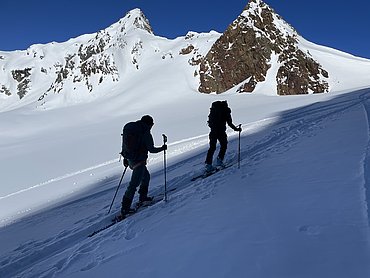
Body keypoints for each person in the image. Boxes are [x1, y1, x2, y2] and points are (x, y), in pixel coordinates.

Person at [120, 115, 167, 217]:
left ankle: (143, 198)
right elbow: (151, 149)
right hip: (139, 161)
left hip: (130, 159)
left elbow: (125, 145)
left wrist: (125, 157)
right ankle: (125, 208)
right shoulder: (145, 133)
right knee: (133, 184)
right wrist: (162, 148)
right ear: (150, 124)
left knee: (146, 177)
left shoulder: (131, 129)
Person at [205, 101, 241, 172]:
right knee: (224, 145)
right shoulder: (225, 110)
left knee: (212, 148)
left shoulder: (213, 110)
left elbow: (209, 122)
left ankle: (208, 165)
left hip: (213, 131)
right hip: (221, 131)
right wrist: (236, 129)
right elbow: (229, 123)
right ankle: (219, 161)